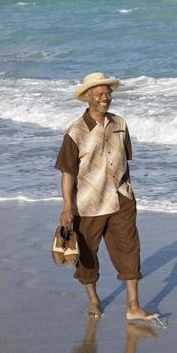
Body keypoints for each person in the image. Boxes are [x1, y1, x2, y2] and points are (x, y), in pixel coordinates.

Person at [55, 71, 158, 320]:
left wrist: (130, 191)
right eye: (100, 93)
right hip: (89, 204)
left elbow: (124, 161)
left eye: (108, 93)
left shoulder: (120, 124)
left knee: (129, 250)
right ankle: (93, 299)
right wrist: (67, 207)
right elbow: (68, 172)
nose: (105, 97)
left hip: (121, 199)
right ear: (88, 96)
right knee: (87, 254)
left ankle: (133, 307)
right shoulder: (75, 131)